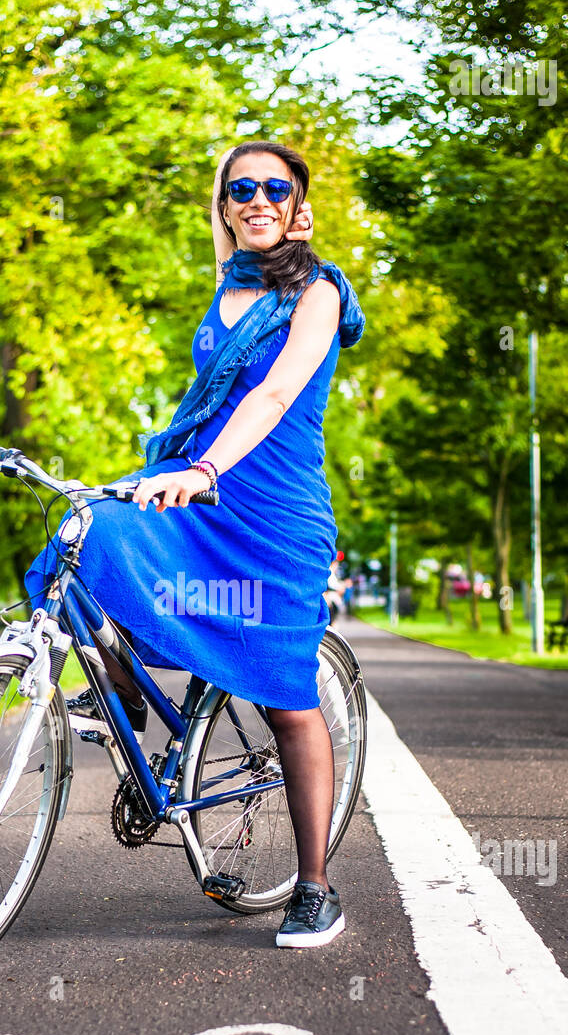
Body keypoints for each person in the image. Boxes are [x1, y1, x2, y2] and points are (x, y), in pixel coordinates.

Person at [25, 141, 365, 948]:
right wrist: (186, 472)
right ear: (222, 206)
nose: (255, 199)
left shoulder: (317, 292)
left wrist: (206, 466)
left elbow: (278, 391)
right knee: (87, 532)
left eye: (273, 188)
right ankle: (128, 694)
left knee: (287, 703)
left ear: (297, 204)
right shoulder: (229, 282)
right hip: (191, 489)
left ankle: (313, 888)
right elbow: (226, 218)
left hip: (270, 509)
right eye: (239, 189)